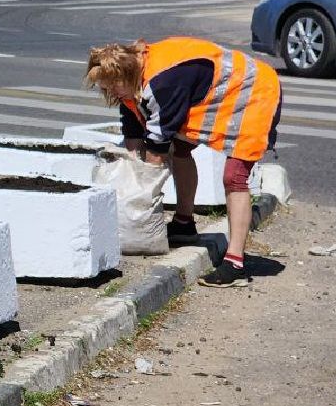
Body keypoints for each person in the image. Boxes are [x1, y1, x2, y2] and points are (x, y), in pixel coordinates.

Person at [85, 36, 282, 288]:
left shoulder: (163, 81)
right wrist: (132, 173)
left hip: (254, 89)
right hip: (216, 91)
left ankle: (235, 263)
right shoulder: (133, 76)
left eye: (112, 87)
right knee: (180, 149)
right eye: (104, 88)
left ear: (126, 73)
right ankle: (183, 224)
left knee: (234, 176)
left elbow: (156, 150)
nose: (109, 93)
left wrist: (142, 204)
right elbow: (134, 133)